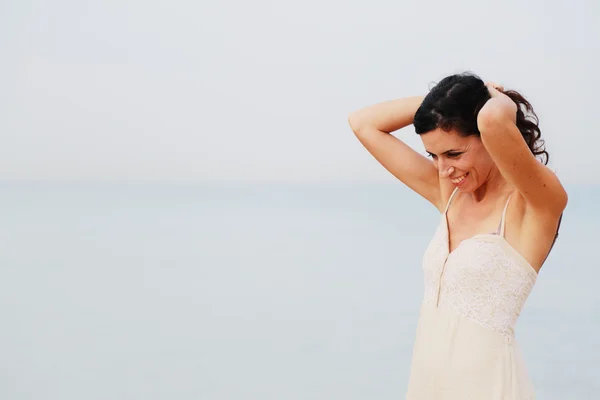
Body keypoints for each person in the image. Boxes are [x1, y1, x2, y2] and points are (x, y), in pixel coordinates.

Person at [347, 72, 567, 399]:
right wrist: (442, 105)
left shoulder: (534, 206)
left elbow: (493, 119)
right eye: (433, 156)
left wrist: (490, 95)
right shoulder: (450, 195)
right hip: (427, 385)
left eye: (453, 154)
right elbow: (363, 123)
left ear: (489, 139)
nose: (443, 170)